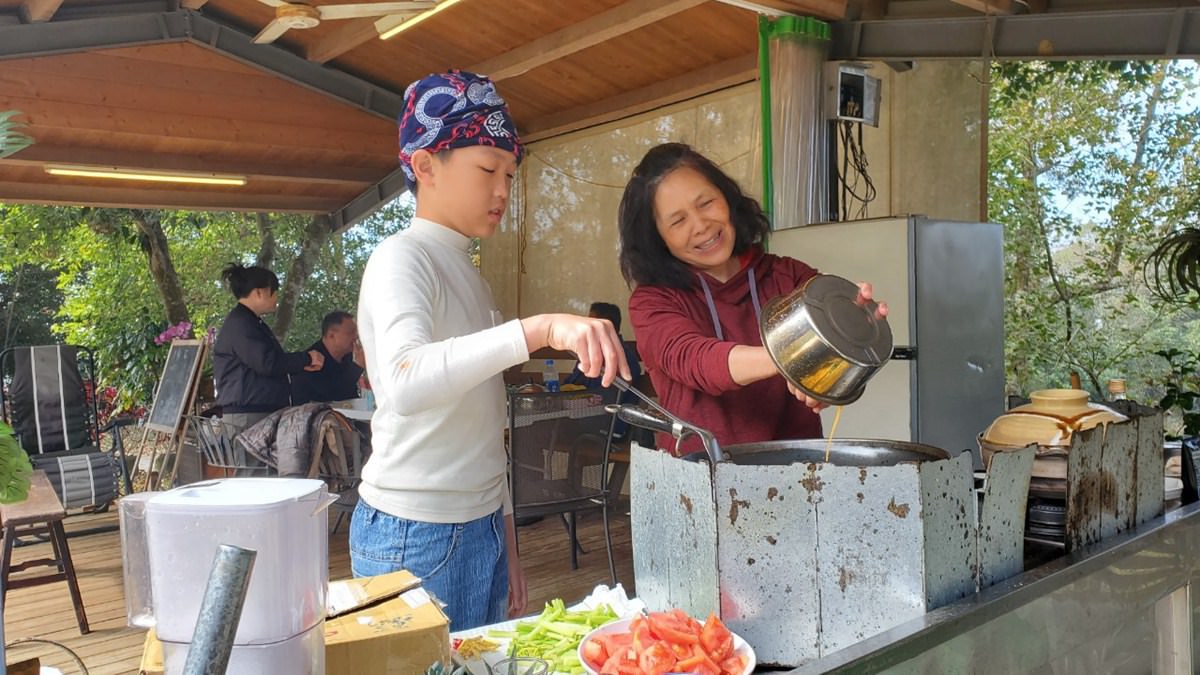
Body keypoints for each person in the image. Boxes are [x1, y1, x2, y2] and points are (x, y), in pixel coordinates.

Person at [353, 69, 631, 632]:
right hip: (416, 530)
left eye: (509, 172)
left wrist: (505, 536)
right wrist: (537, 329)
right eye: (487, 169)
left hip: (477, 524)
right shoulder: (401, 257)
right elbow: (404, 381)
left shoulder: (469, 273)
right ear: (425, 165)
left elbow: (482, 420)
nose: (503, 189)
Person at [617, 142, 886, 456]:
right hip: (697, 478)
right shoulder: (653, 302)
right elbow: (697, 360)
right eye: (677, 221)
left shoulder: (790, 278)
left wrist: (848, 331)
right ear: (657, 237)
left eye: (706, 203)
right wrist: (792, 356)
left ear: (727, 199)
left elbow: (836, 373)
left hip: (797, 473)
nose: (701, 226)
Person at [211, 264, 324, 434]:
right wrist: (305, 359)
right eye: (274, 290)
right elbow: (267, 363)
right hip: (248, 416)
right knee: (252, 462)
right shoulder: (242, 324)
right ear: (259, 292)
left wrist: (299, 364)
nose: (277, 297)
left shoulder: (248, 321)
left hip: (256, 412)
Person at [291, 310, 366, 405]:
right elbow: (334, 394)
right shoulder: (312, 361)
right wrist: (357, 367)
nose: (356, 336)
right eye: (350, 332)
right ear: (331, 335)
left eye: (356, 332)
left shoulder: (349, 356)